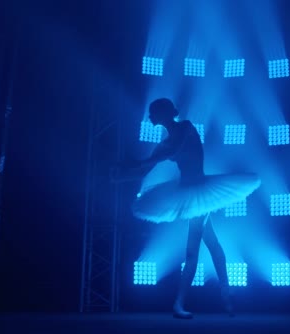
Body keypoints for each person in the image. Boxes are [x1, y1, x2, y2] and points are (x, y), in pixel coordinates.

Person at [111, 98, 260, 319]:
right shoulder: (162, 144)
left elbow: (173, 150)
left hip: (199, 192)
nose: (150, 116)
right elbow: (144, 171)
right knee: (212, 242)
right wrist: (120, 177)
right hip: (189, 192)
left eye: (153, 112)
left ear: (165, 113)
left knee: (193, 251)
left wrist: (137, 162)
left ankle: (179, 304)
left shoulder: (186, 127)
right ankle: (225, 291)